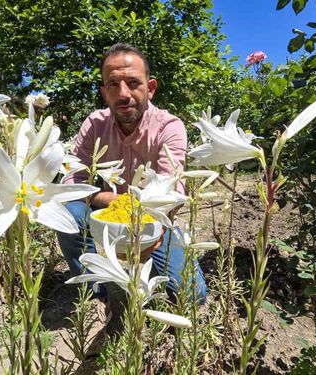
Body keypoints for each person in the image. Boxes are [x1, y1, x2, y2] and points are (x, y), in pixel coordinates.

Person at [57, 43, 207, 304]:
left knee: (192, 296)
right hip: (105, 216)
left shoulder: (169, 127)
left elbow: (172, 191)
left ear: (150, 88)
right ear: (104, 93)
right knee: (68, 212)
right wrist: (114, 202)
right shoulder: (94, 125)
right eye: (113, 84)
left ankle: (152, 271)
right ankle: (98, 287)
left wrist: (153, 232)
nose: (123, 94)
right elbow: (72, 181)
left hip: (152, 220)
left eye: (133, 82)